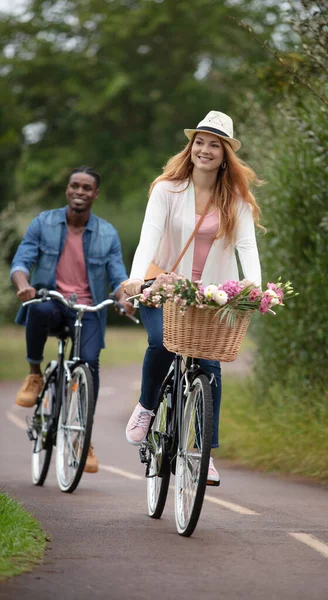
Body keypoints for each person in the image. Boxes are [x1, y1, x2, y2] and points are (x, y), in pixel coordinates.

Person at [122, 110, 263, 485]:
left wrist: (254, 287)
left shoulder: (236, 199)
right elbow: (149, 236)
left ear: (225, 154)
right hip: (163, 284)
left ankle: (203, 453)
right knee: (161, 342)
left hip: (211, 294)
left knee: (210, 366)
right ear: (191, 147)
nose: (205, 149)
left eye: (214, 145)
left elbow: (247, 246)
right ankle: (147, 407)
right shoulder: (167, 189)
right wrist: (137, 278)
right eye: (199, 142)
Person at [10, 165, 134, 473]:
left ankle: (83, 438)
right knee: (37, 307)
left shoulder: (107, 233)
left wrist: (124, 299)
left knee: (89, 368)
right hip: (53, 302)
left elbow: (118, 276)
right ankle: (35, 374)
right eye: (74, 186)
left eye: (86, 188)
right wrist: (24, 286)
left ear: (95, 194)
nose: (79, 192)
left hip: (88, 309)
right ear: (68, 189)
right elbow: (21, 261)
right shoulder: (45, 222)